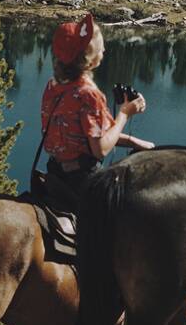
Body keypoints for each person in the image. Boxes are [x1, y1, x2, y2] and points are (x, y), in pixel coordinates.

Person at [40, 13, 152, 206]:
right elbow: (100, 150)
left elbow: (85, 136)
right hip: (82, 180)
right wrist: (125, 113)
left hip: (55, 173)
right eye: (100, 49)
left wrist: (134, 142)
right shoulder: (89, 95)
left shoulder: (53, 86)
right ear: (89, 61)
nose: (105, 50)